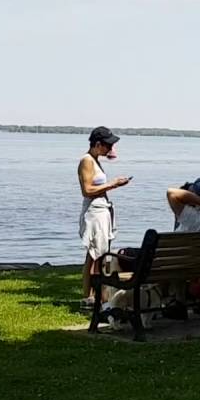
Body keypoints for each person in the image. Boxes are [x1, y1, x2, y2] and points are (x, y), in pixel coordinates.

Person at [78, 126, 130, 309]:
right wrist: (113, 184)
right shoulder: (86, 161)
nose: (110, 149)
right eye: (108, 145)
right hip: (94, 212)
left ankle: (96, 295)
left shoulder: (95, 161)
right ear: (98, 144)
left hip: (102, 210)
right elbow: (87, 190)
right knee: (94, 255)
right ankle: (89, 296)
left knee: (100, 255)